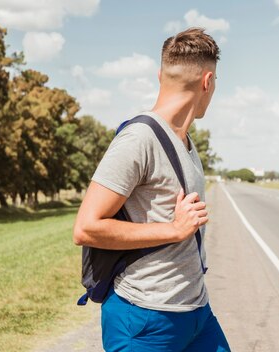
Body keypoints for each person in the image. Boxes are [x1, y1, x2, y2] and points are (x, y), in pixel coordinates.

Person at [73, 27, 230, 352]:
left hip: (197, 314)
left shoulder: (185, 142)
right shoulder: (138, 139)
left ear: (161, 75)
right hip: (144, 320)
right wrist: (174, 229)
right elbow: (86, 227)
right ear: (208, 82)